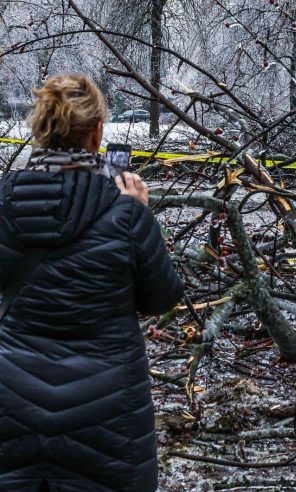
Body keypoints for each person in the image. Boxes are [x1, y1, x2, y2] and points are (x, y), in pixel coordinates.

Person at [0, 74, 183, 491]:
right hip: (108, 410)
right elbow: (162, 297)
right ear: (98, 132)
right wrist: (139, 214)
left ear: (40, 131)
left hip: (12, 402)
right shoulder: (125, 213)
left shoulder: (4, 201)